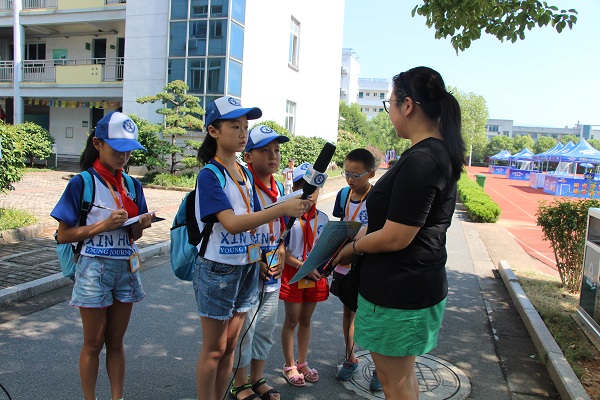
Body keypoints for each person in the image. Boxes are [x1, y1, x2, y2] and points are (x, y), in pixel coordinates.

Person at [333, 66, 466, 400]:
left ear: (408, 105)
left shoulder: (424, 158)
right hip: (410, 286)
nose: (389, 111)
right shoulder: (431, 153)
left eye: (389, 104)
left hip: (399, 292)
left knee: (395, 383)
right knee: (402, 380)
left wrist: (354, 248)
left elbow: (397, 236)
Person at [194, 97, 310, 400]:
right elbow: (232, 223)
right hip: (218, 269)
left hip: (247, 267)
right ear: (213, 131)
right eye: (235, 126)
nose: (243, 132)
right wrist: (282, 207)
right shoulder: (210, 175)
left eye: (245, 126)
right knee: (214, 348)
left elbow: (257, 228)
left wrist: (263, 254)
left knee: (231, 345)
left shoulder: (244, 174)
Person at [51, 111, 154, 400]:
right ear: (98, 144)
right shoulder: (82, 183)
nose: (124, 157)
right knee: (93, 343)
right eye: (117, 149)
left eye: (129, 151)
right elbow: (63, 234)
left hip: (125, 268)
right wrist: (103, 226)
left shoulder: (133, 185)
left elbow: (134, 235)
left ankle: (117, 397)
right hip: (93, 268)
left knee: (116, 341)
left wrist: (140, 225)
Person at [229, 125, 289, 400]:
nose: (272, 155)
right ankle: (239, 383)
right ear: (249, 156)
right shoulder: (244, 185)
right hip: (250, 272)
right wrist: (257, 262)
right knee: (245, 331)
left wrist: (281, 257)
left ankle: (257, 379)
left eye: (276, 150)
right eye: (264, 150)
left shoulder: (280, 187)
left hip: (273, 274)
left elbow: (282, 230)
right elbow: (239, 229)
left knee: (264, 329)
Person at [329, 148, 381, 391]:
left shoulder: (379, 197)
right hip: (345, 263)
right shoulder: (342, 195)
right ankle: (350, 358)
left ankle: (381, 369)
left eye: (356, 175)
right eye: (346, 173)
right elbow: (341, 225)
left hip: (369, 265)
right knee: (349, 313)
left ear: (371, 174)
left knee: (372, 316)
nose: (350, 179)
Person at [279, 163, 330, 387]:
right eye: (304, 188)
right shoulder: (287, 218)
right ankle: (289, 364)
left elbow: (326, 248)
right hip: (294, 273)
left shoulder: (325, 219)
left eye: (314, 189)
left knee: (306, 320)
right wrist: (302, 266)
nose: (310, 194)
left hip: (315, 275)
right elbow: (281, 251)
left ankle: (302, 362)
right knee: (292, 320)